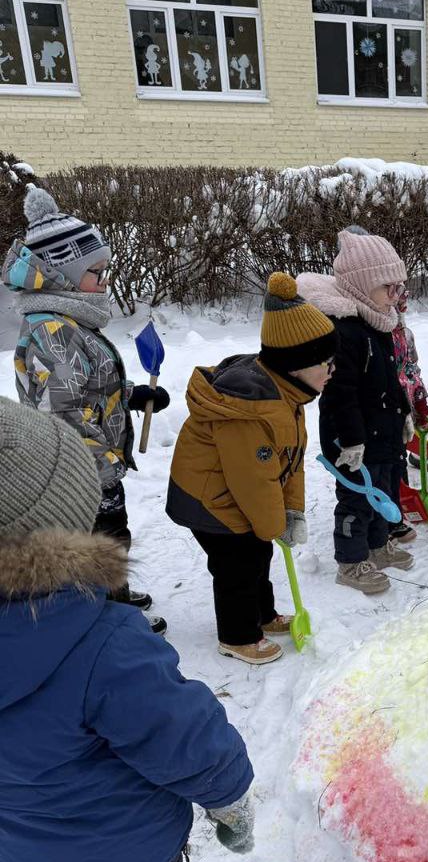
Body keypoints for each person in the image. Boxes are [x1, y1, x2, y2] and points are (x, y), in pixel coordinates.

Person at [0, 397, 254, 862]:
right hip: (126, 853)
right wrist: (229, 796)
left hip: (23, 856)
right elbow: (182, 734)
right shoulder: (105, 641)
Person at [1, 186, 170, 631]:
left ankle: (113, 600)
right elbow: (64, 416)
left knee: (111, 536)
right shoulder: (54, 332)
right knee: (98, 542)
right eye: (96, 272)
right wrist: (102, 470)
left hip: (93, 462)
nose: (106, 280)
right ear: (63, 276)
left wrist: (132, 395)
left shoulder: (70, 322)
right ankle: (107, 622)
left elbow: (90, 386)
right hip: (80, 470)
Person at [166, 272, 336, 665]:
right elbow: (254, 481)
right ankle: (238, 636)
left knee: (257, 552)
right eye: (325, 363)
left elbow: (290, 463)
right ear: (295, 365)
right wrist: (274, 524)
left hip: (234, 494)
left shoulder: (289, 397)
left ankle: (262, 614)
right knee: (238, 565)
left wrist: (291, 512)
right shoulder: (253, 410)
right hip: (209, 500)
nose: (332, 370)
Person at [297, 229, 415, 595]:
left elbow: (391, 378)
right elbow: (339, 394)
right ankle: (350, 562)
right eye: (387, 287)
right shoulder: (343, 332)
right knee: (357, 500)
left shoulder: (377, 321)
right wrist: (351, 440)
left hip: (383, 429)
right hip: (354, 437)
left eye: (399, 287)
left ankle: (377, 546)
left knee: (383, 492)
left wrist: (404, 413)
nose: (395, 296)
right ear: (362, 286)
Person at [389, 285, 428, 544]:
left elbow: (412, 372)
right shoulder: (373, 335)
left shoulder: (406, 335)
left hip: (402, 411)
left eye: (402, 308)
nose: (399, 313)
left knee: (398, 460)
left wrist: (421, 403)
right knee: (381, 465)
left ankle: (397, 511)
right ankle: (383, 518)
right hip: (380, 410)